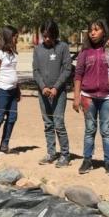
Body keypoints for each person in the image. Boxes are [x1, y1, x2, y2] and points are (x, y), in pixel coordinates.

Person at [73, 19, 109, 176]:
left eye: (96, 29)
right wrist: (76, 97)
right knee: (90, 129)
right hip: (88, 97)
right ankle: (87, 160)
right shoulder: (85, 51)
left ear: (104, 31)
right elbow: (78, 74)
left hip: (107, 96)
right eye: (90, 30)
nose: (92, 33)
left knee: (106, 130)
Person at [33, 20, 72, 167]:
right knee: (48, 123)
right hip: (43, 92)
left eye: (50, 36)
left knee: (58, 123)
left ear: (55, 34)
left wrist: (56, 87)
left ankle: (65, 155)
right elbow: (35, 71)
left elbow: (67, 69)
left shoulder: (63, 47)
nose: (47, 39)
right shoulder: (37, 49)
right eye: (45, 36)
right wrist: (43, 87)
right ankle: (51, 152)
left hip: (59, 93)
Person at [0, 25, 20, 159]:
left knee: (12, 118)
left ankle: (5, 145)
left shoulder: (11, 53)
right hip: (2, 91)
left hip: (12, 91)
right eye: (15, 37)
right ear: (8, 37)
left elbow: (13, 72)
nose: (17, 40)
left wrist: (18, 89)